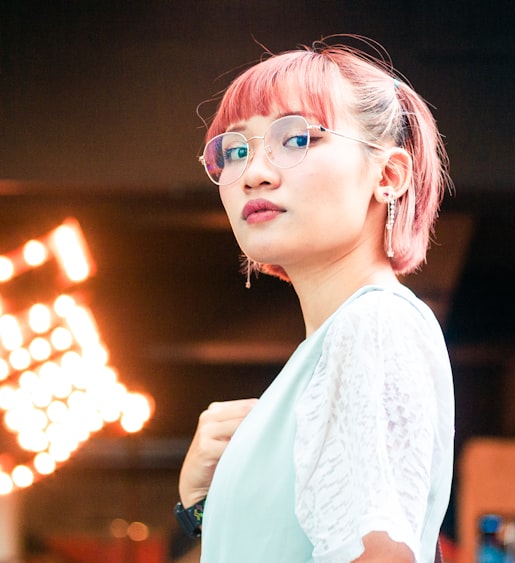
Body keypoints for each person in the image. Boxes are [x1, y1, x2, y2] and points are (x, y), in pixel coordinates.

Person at [175, 36, 455, 563]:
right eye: (235, 150)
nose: (254, 172)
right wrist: (204, 508)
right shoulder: (324, 353)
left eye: (297, 139)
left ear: (388, 175)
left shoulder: (373, 324)